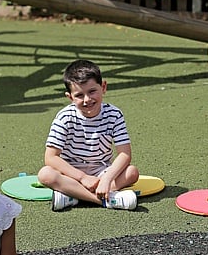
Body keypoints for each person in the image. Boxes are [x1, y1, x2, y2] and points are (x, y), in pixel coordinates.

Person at [37, 58, 139, 212]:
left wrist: (106, 179)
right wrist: (82, 178)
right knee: (46, 174)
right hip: (70, 172)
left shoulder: (114, 114)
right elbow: (51, 157)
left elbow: (124, 154)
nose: (87, 100)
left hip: (101, 171)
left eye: (92, 91)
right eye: (79, 95)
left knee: (132, 172)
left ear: (103, 87)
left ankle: (72, 195)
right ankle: (105, 200)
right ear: (70, 97)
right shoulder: (65, 117)